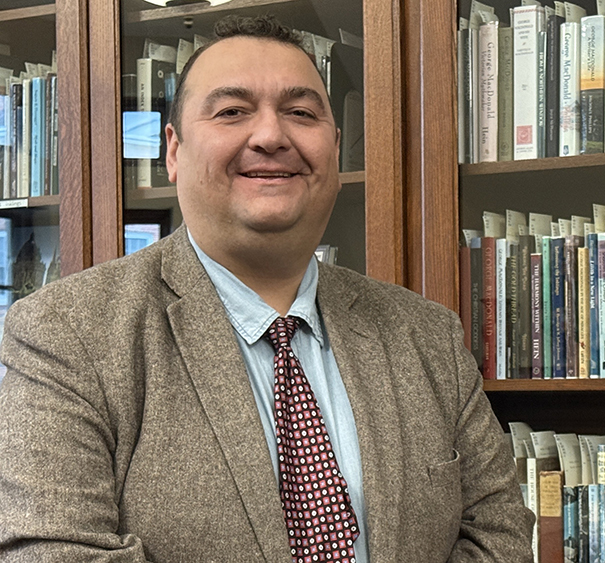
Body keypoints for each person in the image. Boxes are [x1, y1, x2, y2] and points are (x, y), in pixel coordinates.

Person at [0, 15, 533, 562]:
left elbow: (500, 538)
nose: (272, 136)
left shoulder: (427, 334)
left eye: (301, 113)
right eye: (232, 111)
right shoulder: (67, 334)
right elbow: (54, 552)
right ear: (175, 151)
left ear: (333, 145)